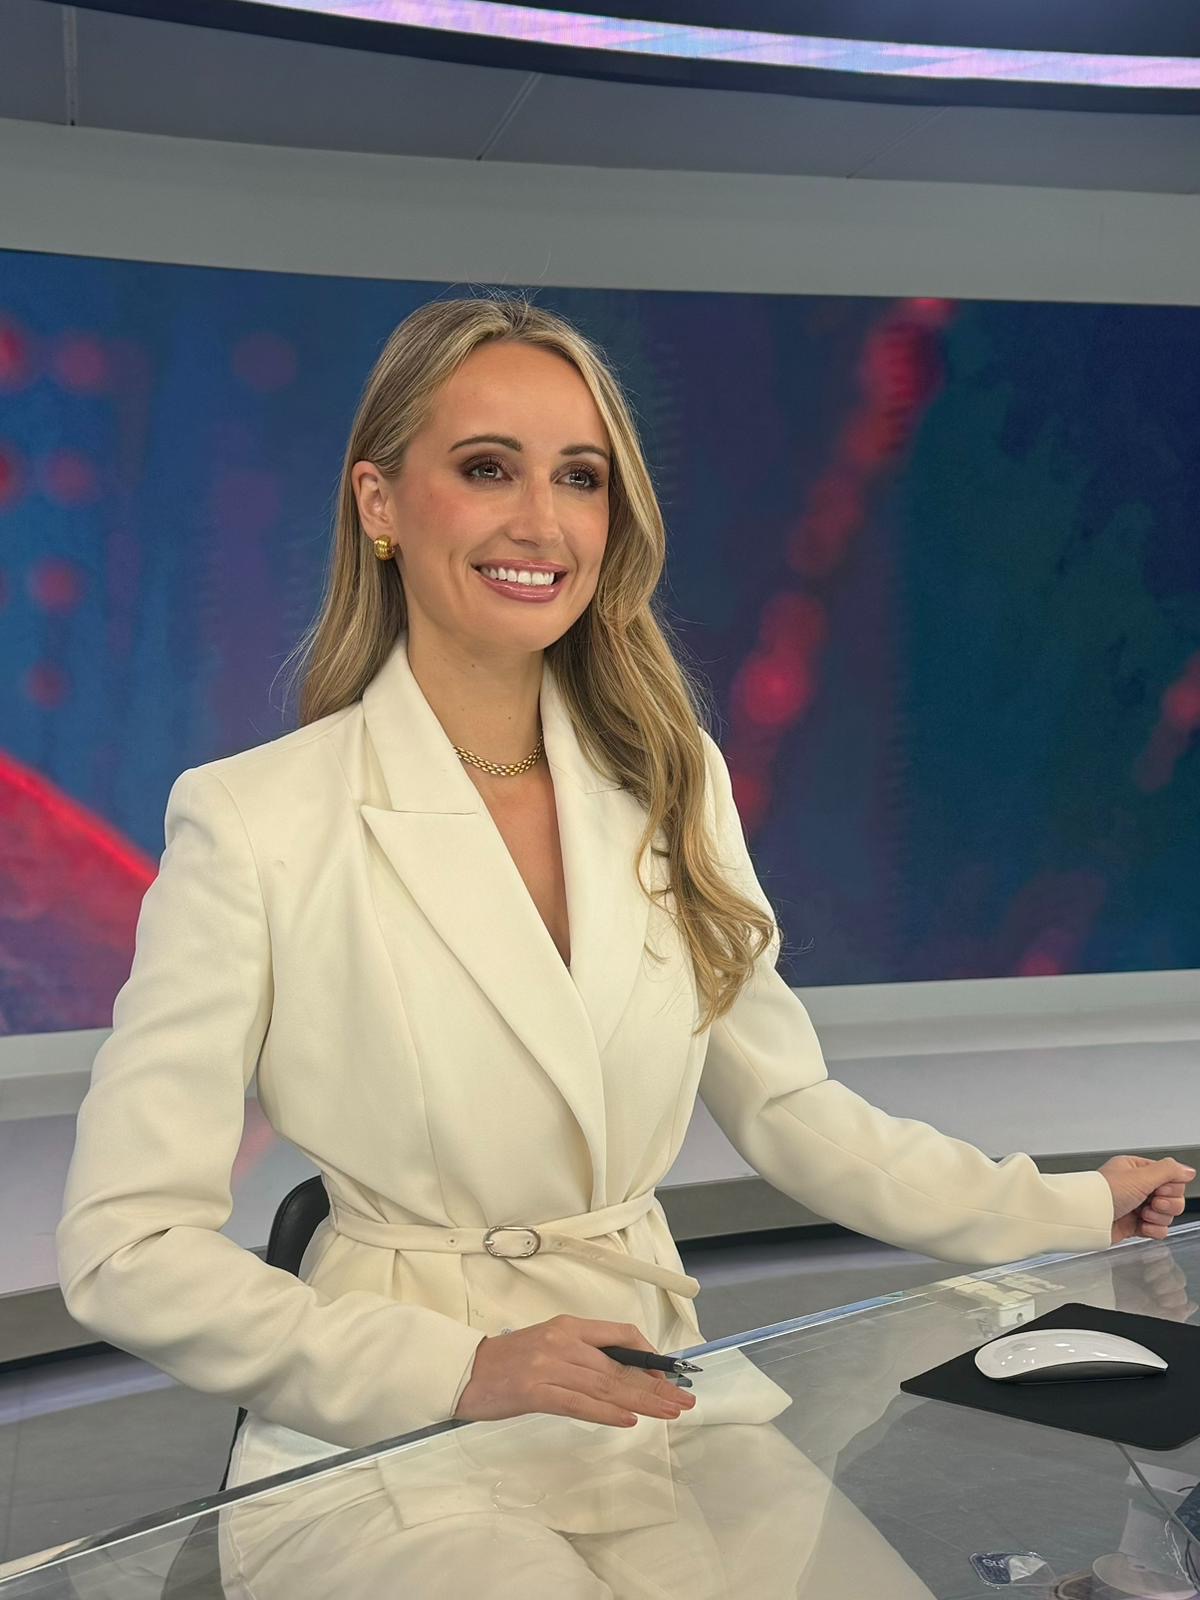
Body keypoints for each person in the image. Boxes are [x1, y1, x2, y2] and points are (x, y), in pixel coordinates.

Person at [56, 294, 1191, 1573]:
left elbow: (795, 1111)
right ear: (379, 502)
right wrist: (465, 1365)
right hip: (392, 1428)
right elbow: (124, 1244)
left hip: (655, 1389)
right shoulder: (252, 817)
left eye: (580, 478)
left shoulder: (672, 779)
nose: (541, 522)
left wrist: (1062, 1202)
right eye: (488, 468)